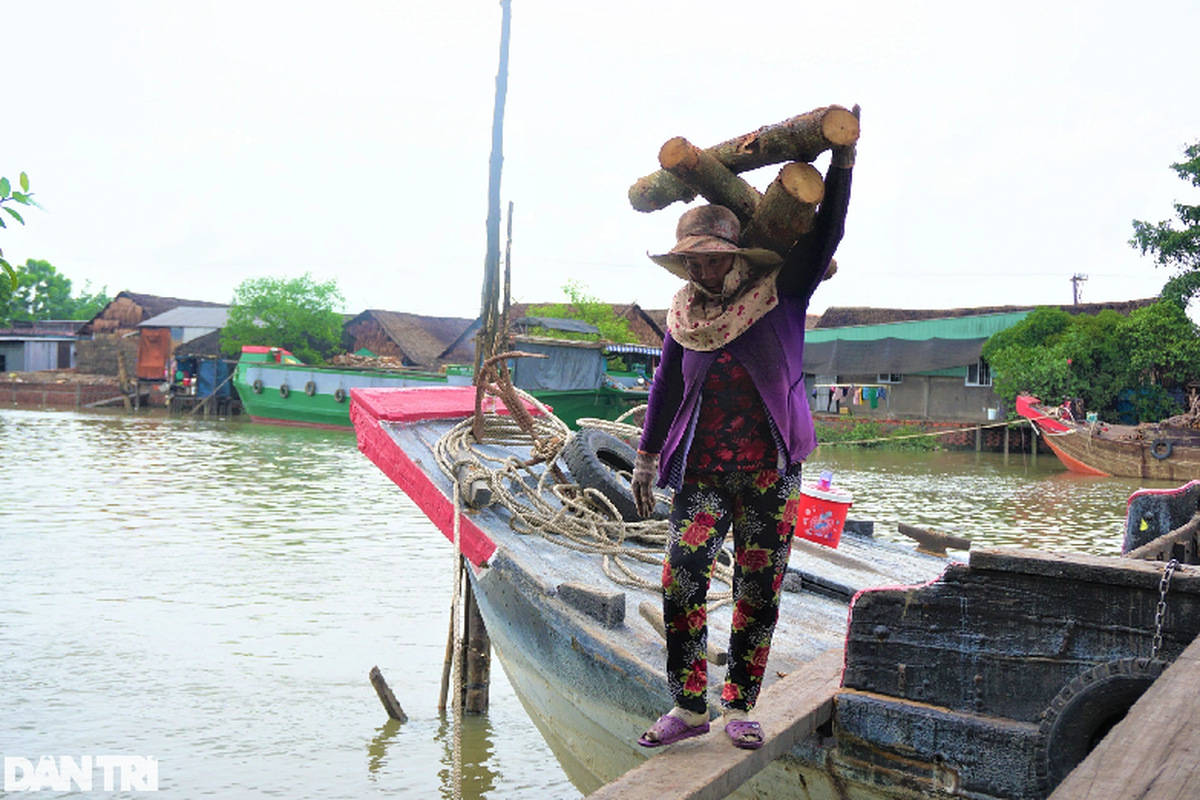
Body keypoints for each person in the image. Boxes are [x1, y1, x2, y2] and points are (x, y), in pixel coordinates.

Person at [631, 144, 854, 750]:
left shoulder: (781, 293)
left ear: (735, 254)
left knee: (759, 591)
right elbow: (667, 385)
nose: (702, 271)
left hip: (769, 476)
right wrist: (648, 455)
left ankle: (739, 707)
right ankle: (689, 705)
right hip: (701, 472)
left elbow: (828, 231)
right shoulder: (684, 314)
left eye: (712, 258)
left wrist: (842, 163)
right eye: (691, 261)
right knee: (682, 583)